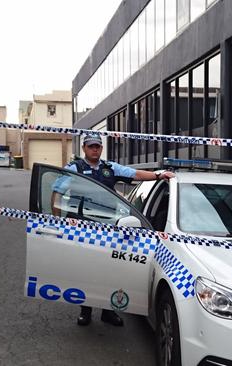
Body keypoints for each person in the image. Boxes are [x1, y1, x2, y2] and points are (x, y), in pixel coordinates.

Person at [64, 133, 175, 327]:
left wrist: (159, 175)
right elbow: (57, 190)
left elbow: (135, 174)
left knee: (109, 270)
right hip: (83, 228)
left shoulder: (110, 168)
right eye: (91, 146)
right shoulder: (74, 168)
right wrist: (56, 219)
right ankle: (85, 311)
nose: (95, 149)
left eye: (98, 146)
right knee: (86, 270)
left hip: (108, 228)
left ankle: (108, 311)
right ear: (84, 149)